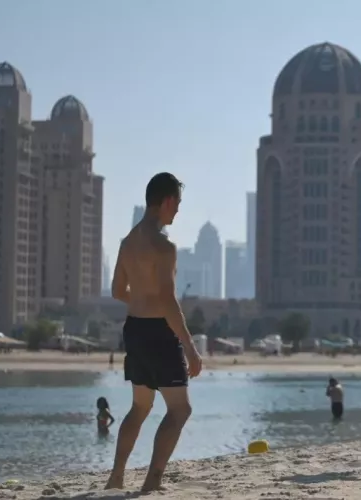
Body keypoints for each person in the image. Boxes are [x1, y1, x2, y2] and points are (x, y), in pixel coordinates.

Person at [105, 172, 203, 492]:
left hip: (134, 329)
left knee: (141, 407)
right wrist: (189, 347)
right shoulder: (164, 246)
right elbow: (167, 300)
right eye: (178, 205)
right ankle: (152, 481)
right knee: (180, 409)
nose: (178, 212)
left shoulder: (128, 241)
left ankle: (116, 476)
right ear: (168, 201)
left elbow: (118, 290)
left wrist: (143, 300)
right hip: (160, 333)